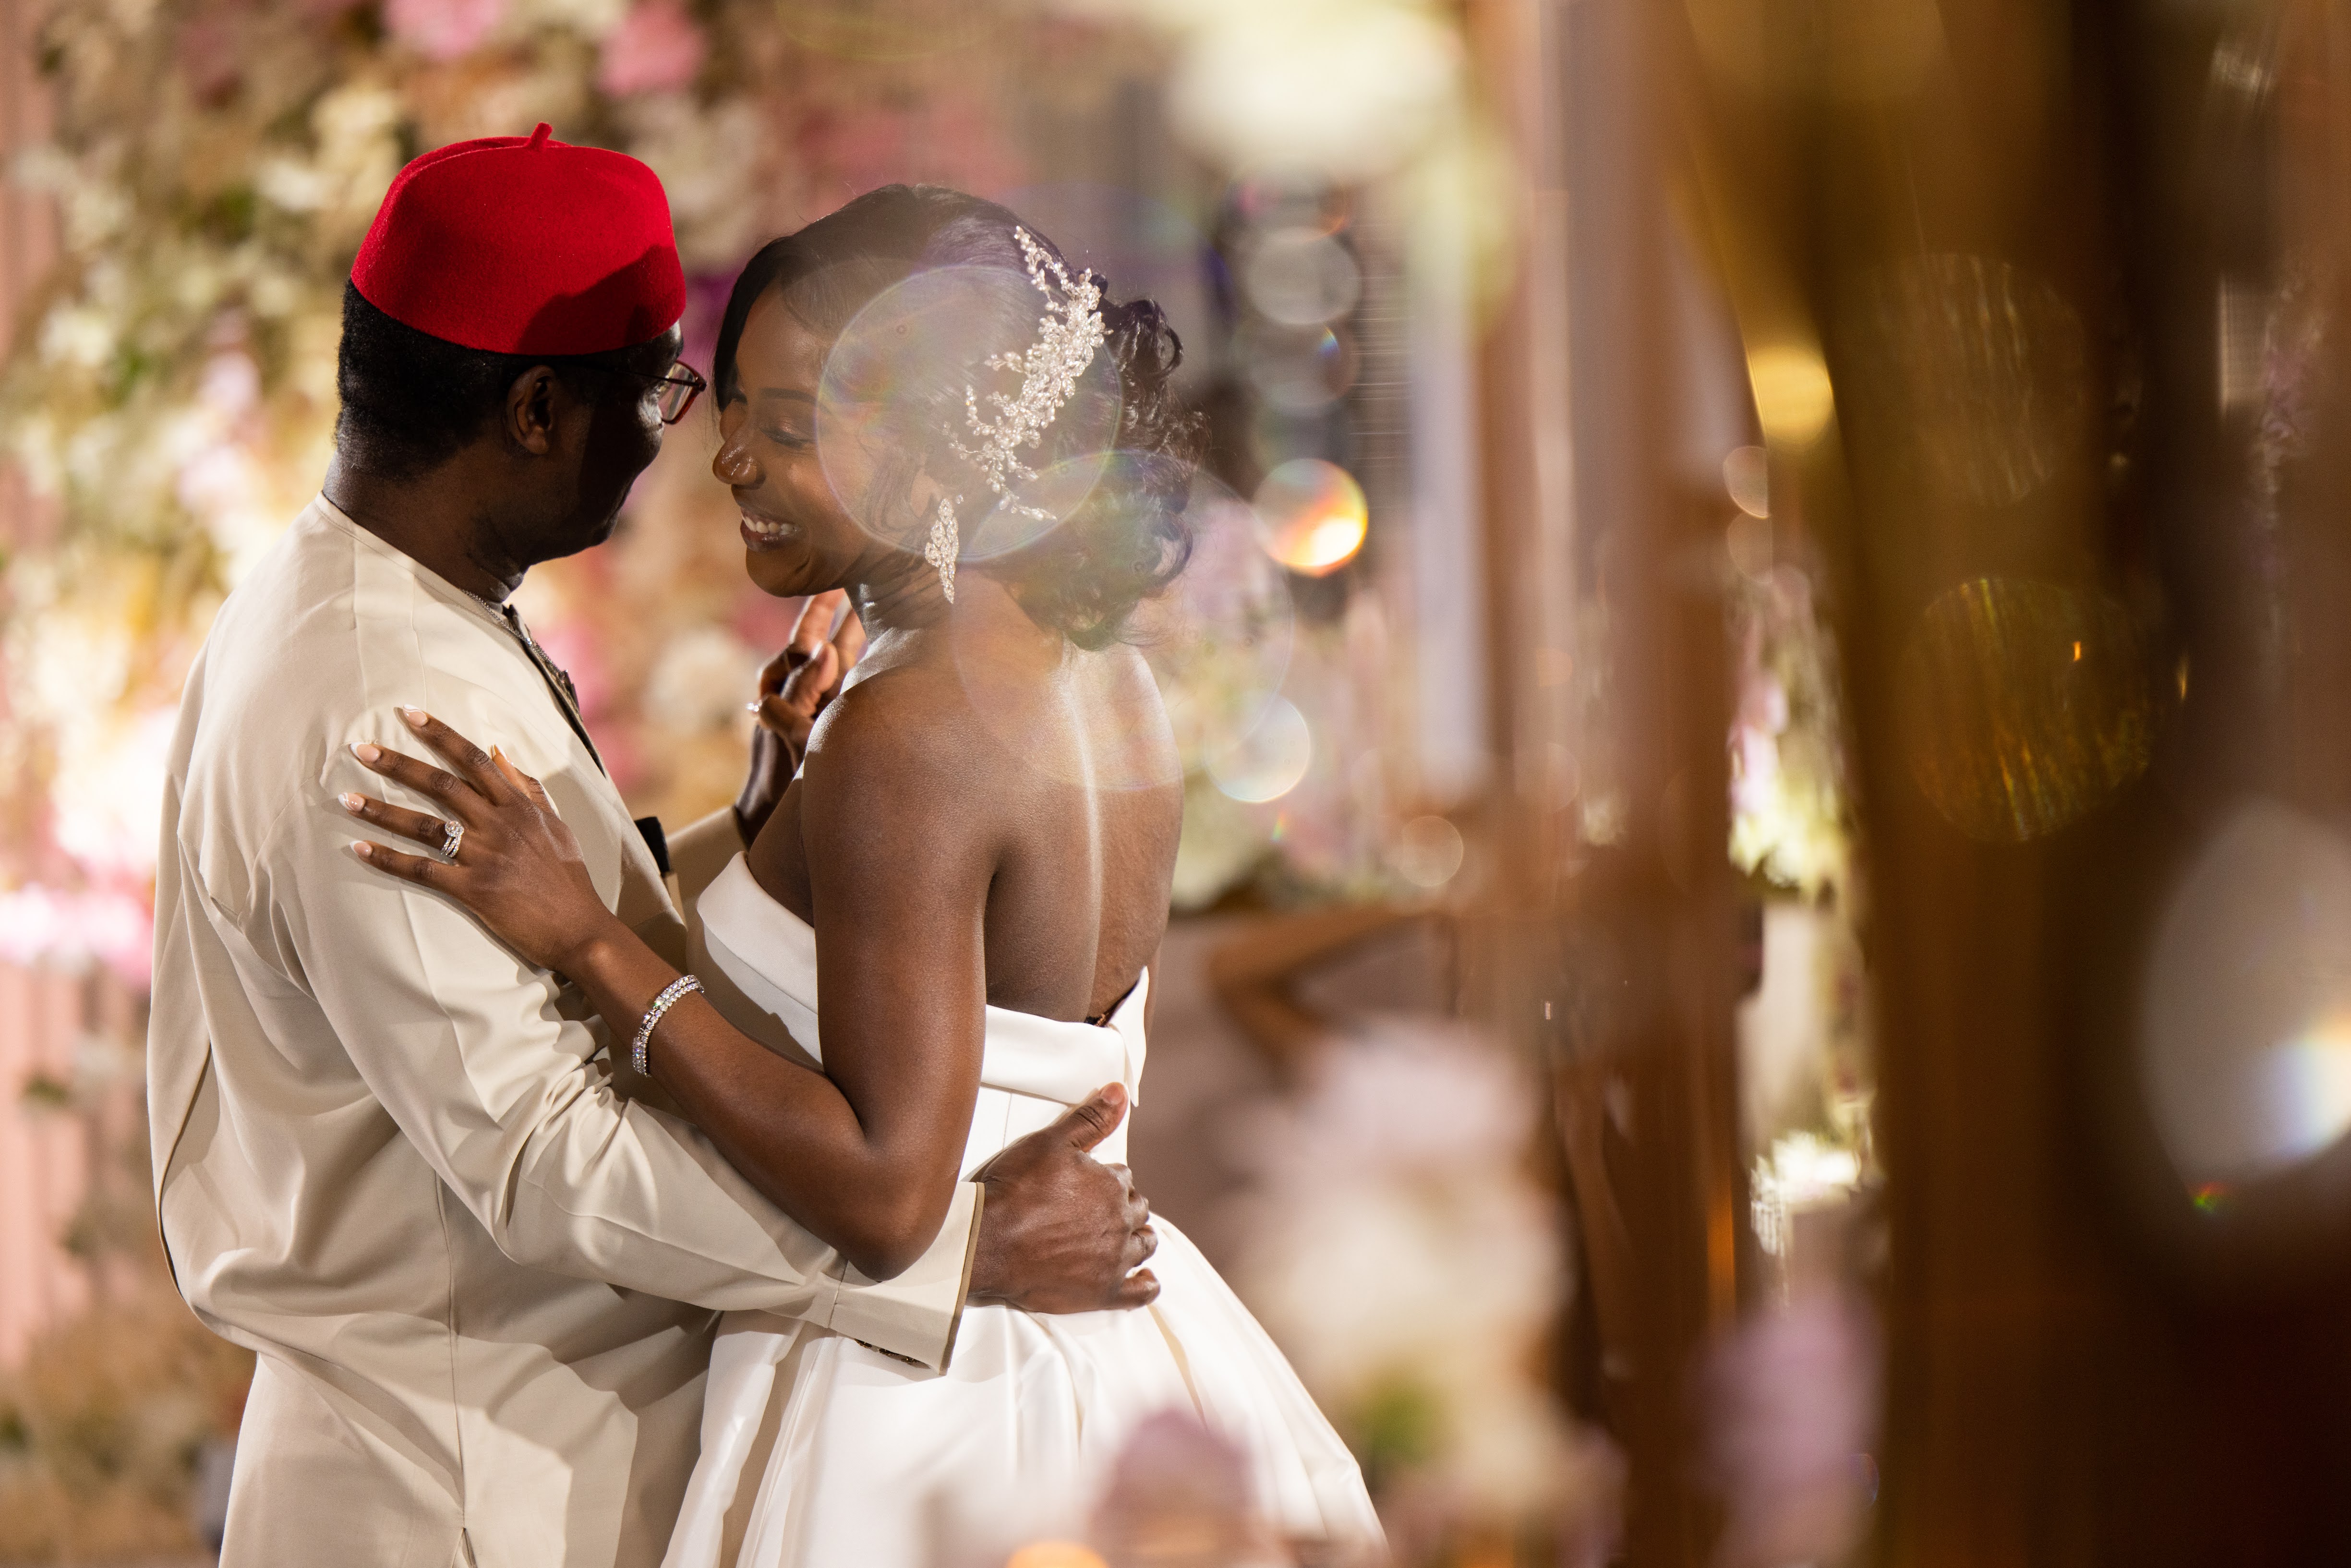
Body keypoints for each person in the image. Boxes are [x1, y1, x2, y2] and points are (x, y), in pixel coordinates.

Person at [149, 133, 1157, 1568]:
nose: (686, 442)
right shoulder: (384, 701)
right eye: (668, 392)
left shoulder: (365, 601)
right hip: (461, 1483)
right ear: (540, 408)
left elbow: (513, 942)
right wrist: (958, 1260)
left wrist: (743, 835)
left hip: (506, 1440)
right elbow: (547, 1160)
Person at [342, 184, 1384, 1566]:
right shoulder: (1101, 674)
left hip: (933, 1408)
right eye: (736, 418)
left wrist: (594, 940)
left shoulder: (913, 730)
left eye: (790, 429)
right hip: (1114, 1362)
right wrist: (779, 811)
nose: (731, 468)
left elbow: (891, 1193)